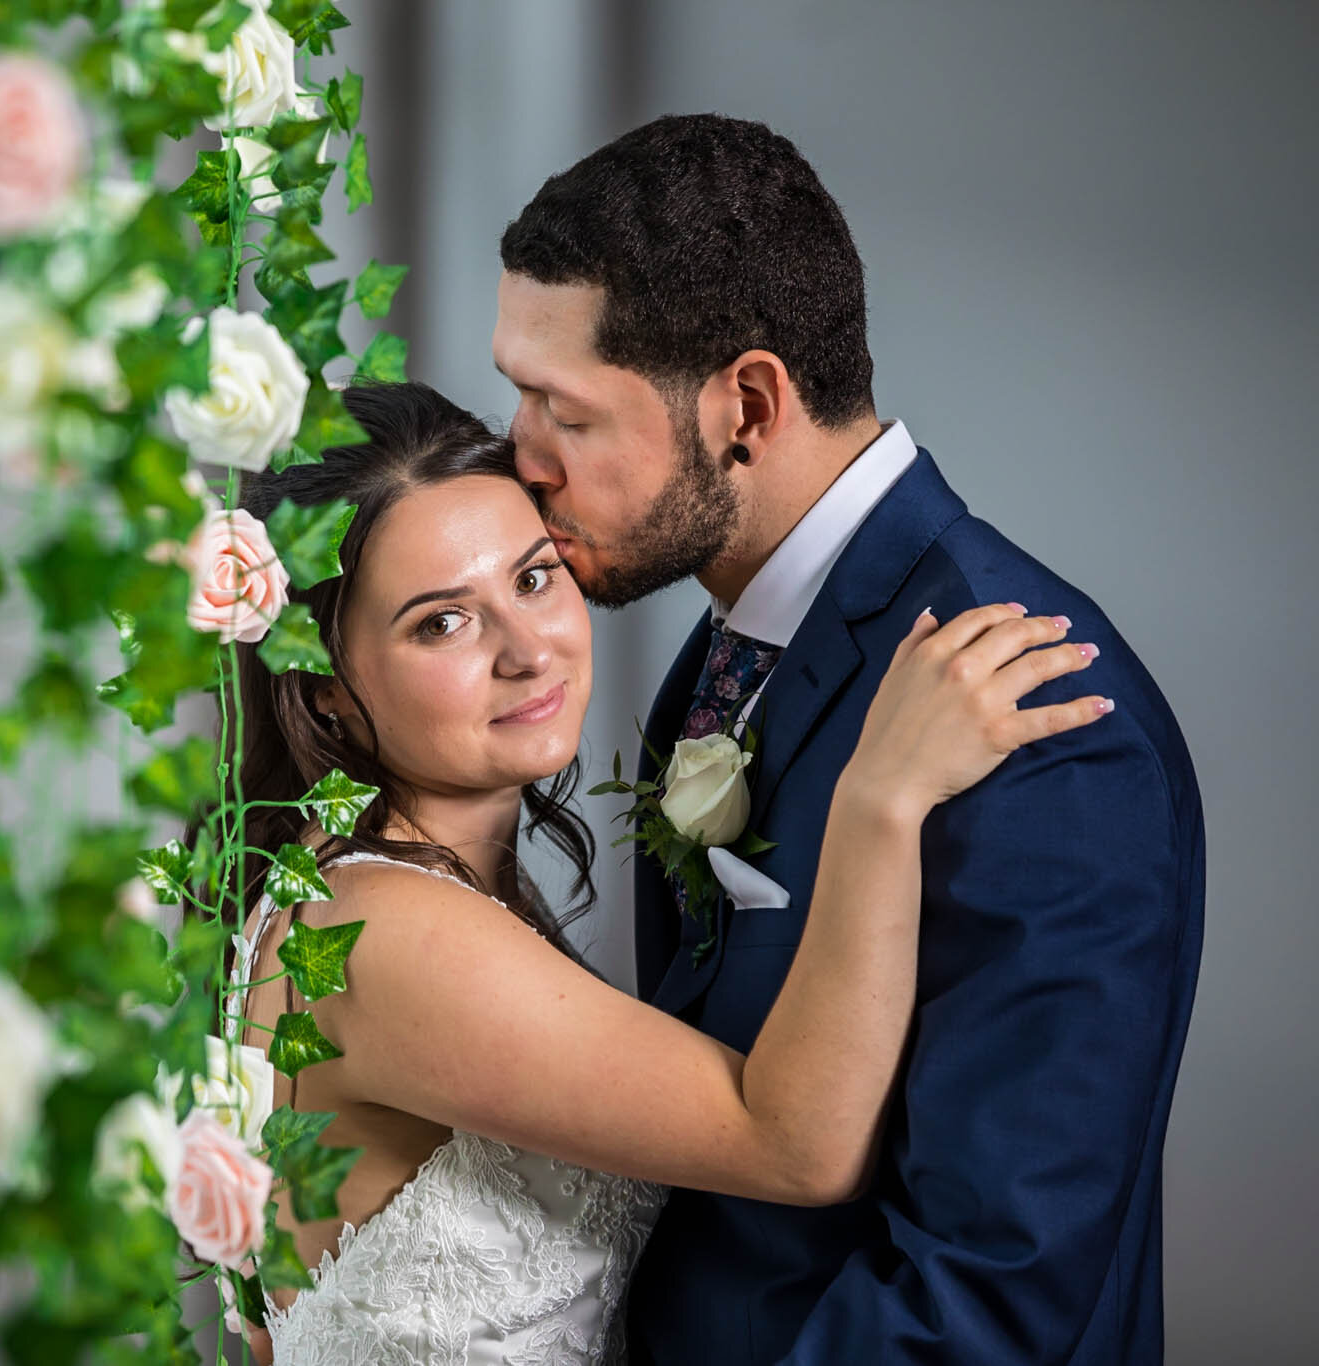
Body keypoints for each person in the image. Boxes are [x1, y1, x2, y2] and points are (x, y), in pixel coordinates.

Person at [493, 114, 1204, 1364]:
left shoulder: (1040, 723)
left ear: (746, 406)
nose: (521, 457)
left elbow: (986, 1295)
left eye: (565, 411)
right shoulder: (728, 645)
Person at [223, 380, 1109, 1365]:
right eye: (441, 622)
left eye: (529, 577)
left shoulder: (343, 883)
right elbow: (792, 1143)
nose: (526, 650)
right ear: (327, 693)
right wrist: (880, 799)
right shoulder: (386, 933)